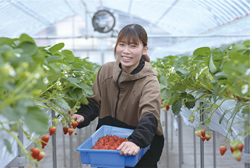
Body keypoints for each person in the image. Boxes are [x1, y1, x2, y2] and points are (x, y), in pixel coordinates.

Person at [72, 24, 164, 168]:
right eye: (122, 44)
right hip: (108, 149)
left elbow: (150, 115)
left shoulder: (149, 81)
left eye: (133, 46)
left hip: (139, 149)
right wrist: (83, 115)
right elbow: (94, 101)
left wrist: (136, 141)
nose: (126, 51)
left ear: (144, 49)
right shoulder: (106, 71)